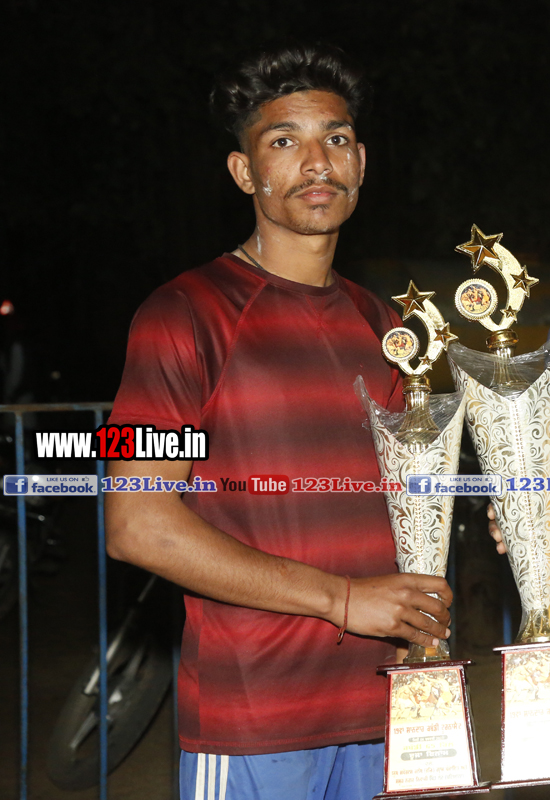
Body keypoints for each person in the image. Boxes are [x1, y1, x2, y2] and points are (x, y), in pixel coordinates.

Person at [104, 45, 452, 800]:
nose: (316, 162)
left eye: (335, 138)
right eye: (284, 141)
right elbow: (135, 524)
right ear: (244, 172)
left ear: (361, 161)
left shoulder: (387, 325)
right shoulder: (179, 314)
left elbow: (410, 506)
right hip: (255, 716)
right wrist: (343, 599)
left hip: (392, 702)